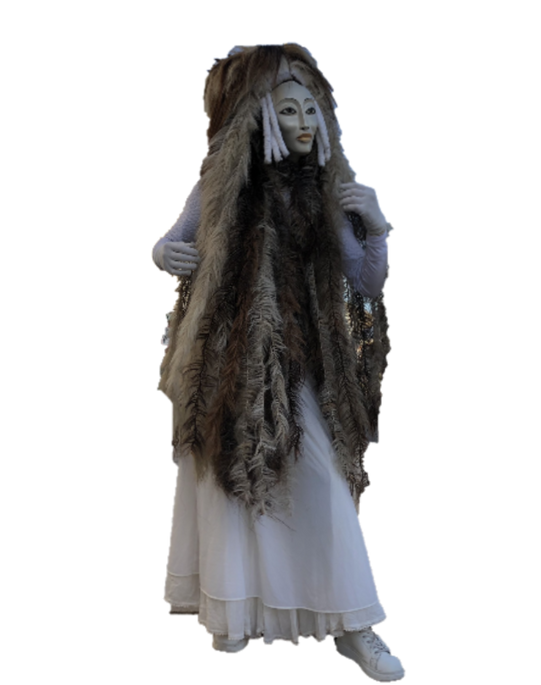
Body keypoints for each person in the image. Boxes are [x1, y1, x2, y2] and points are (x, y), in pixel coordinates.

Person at [149, 41, 407, 682]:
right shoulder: (222, 185)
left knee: (322, 485)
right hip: (229, 364)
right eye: (287, 110)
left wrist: (376, 227)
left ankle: (355, 624)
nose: (304, 122)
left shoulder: (328, 192)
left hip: (305, 368)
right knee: (232, 486)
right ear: (259, 116)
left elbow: (366, 282)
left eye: (311, 109)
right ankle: (234, 611)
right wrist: (162, 253)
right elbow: (175, 241)